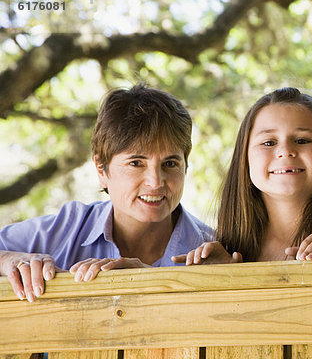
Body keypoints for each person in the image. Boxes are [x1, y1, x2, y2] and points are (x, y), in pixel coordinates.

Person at [0, 84, 214, 302]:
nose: (155, 182)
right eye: (136, 163)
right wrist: (8, 260)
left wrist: (151, 279)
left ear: (185, 167)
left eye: (170, 163)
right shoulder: (66, 228)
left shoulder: (214, 251)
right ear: (101, 169)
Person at [173, 87, 312, 265]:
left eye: (302, 140)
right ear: (245, 162)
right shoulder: (232, 241)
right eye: (269, 143)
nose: (285, 151)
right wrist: (225, 278)